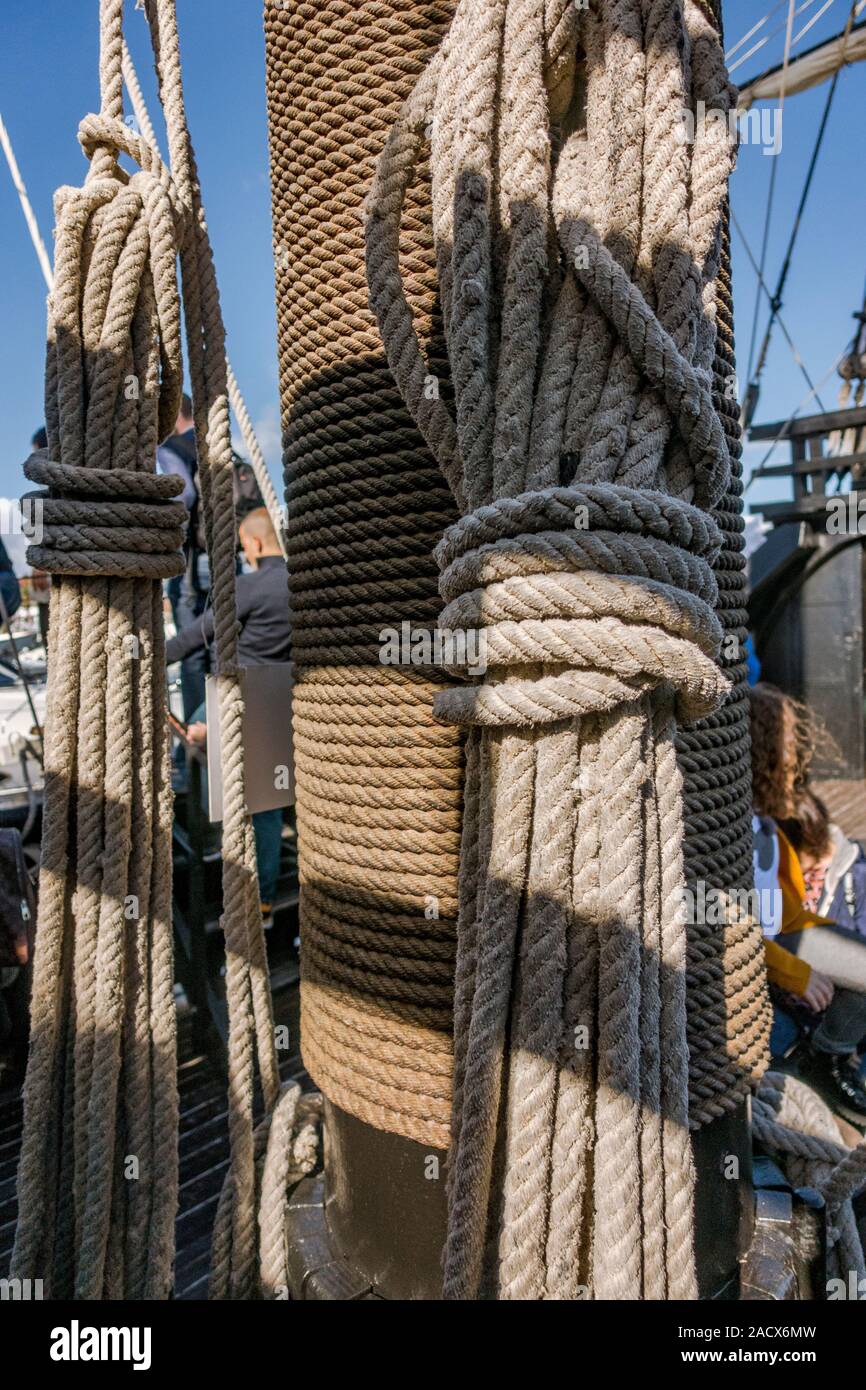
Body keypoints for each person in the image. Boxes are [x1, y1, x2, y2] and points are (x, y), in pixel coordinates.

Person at [166, 508, 291, 922]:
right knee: (269, 808)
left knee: (198, 761)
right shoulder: (300, 586)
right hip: (278, 704)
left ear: (253, 544)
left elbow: (197, 635)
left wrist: (150, 657)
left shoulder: (249, 587)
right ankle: (264, 902)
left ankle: (224, 851)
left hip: (234, 700)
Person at [750, 682, 866, 1123]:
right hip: (748, 967)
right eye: (788, 751)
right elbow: (719, 923)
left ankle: (828, 1058)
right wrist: (796, 973)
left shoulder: (770, 831)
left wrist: (841, 949)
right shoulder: (725, 829)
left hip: (781, 940)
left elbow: (791, 914)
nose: (797, 764)